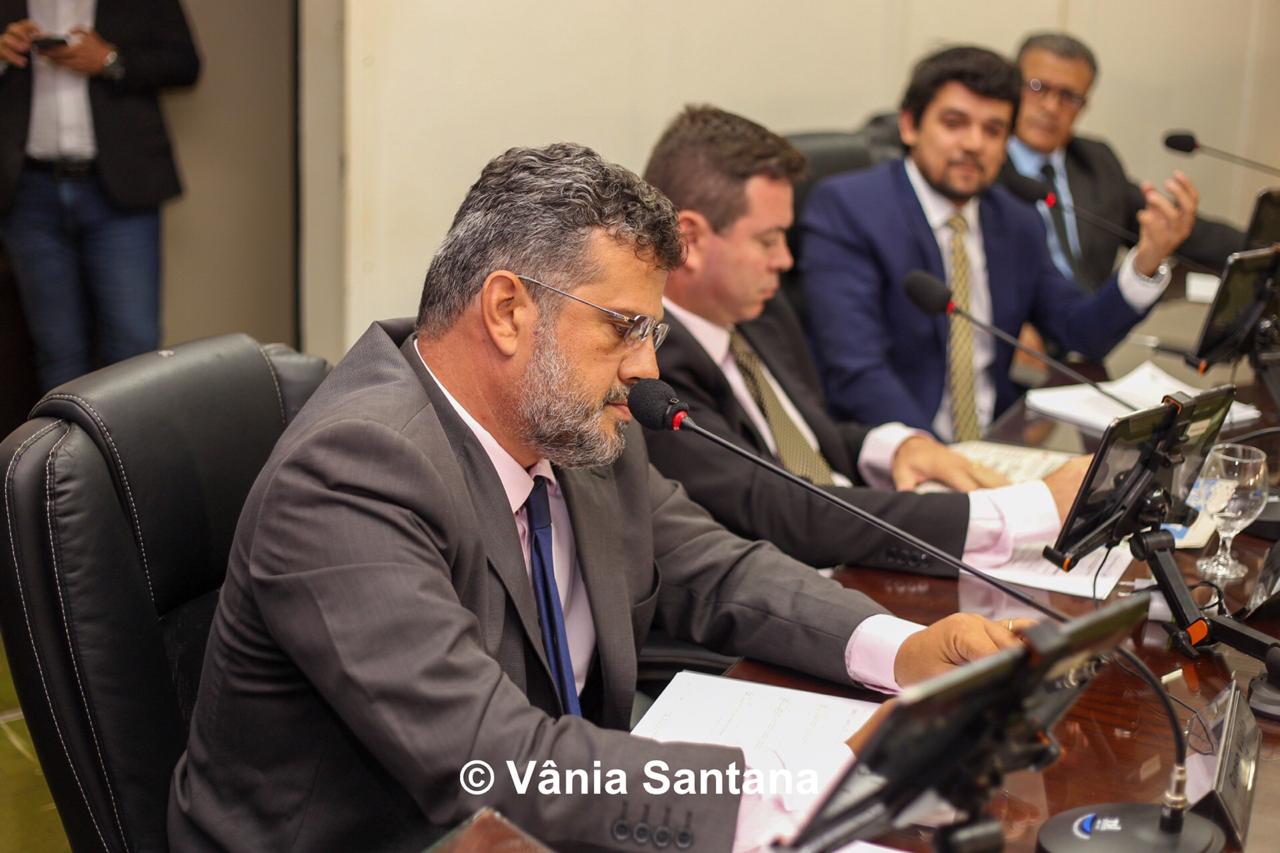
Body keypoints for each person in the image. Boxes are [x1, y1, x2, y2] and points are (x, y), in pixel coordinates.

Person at [168, 143, 1025, 852]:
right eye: (624, 327)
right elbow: (493, 759)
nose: (647, 367)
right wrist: (809, 787)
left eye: (653, 330)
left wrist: (903, 649)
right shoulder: (354, 473)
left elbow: (716, 569)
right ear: (508, 310)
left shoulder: (565, 422)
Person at [641, 105, 1087, 573]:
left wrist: (897, 446)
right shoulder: (652, 367)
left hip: (854, 547)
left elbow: (813, 435)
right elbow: (779, 508)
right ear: (690, 239)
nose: (785, 260)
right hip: (794, 578)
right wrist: (1016, 514)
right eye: (768, 240)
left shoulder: (757, 313)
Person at [797, 46, 1197, 438]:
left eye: (993, 130)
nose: (974, 144)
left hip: (998, 439)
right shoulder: (849, 208)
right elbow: (856, 370)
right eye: (954, 123)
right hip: (897, 449)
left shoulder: (1014, 219)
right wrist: (944, 461)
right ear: (909, 126)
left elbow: (1080, 333)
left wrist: (1145, 263)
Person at [0, 1, 200, 391]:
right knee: (57, 351)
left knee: (133, 345)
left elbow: (185, 64)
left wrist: (109, 60)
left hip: (118, 188)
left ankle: (134, 435)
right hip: (29, 191)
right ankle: (66, 435)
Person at [1004, 31, 1243, 290]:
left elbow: (1182, 232)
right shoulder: (986, 167)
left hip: (1093, 312)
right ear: (1012, 89)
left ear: (1084, 105)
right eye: (1037, 87)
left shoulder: (1095, 163)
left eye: (1069, 96)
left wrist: (1262, 248)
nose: (1051, 107)